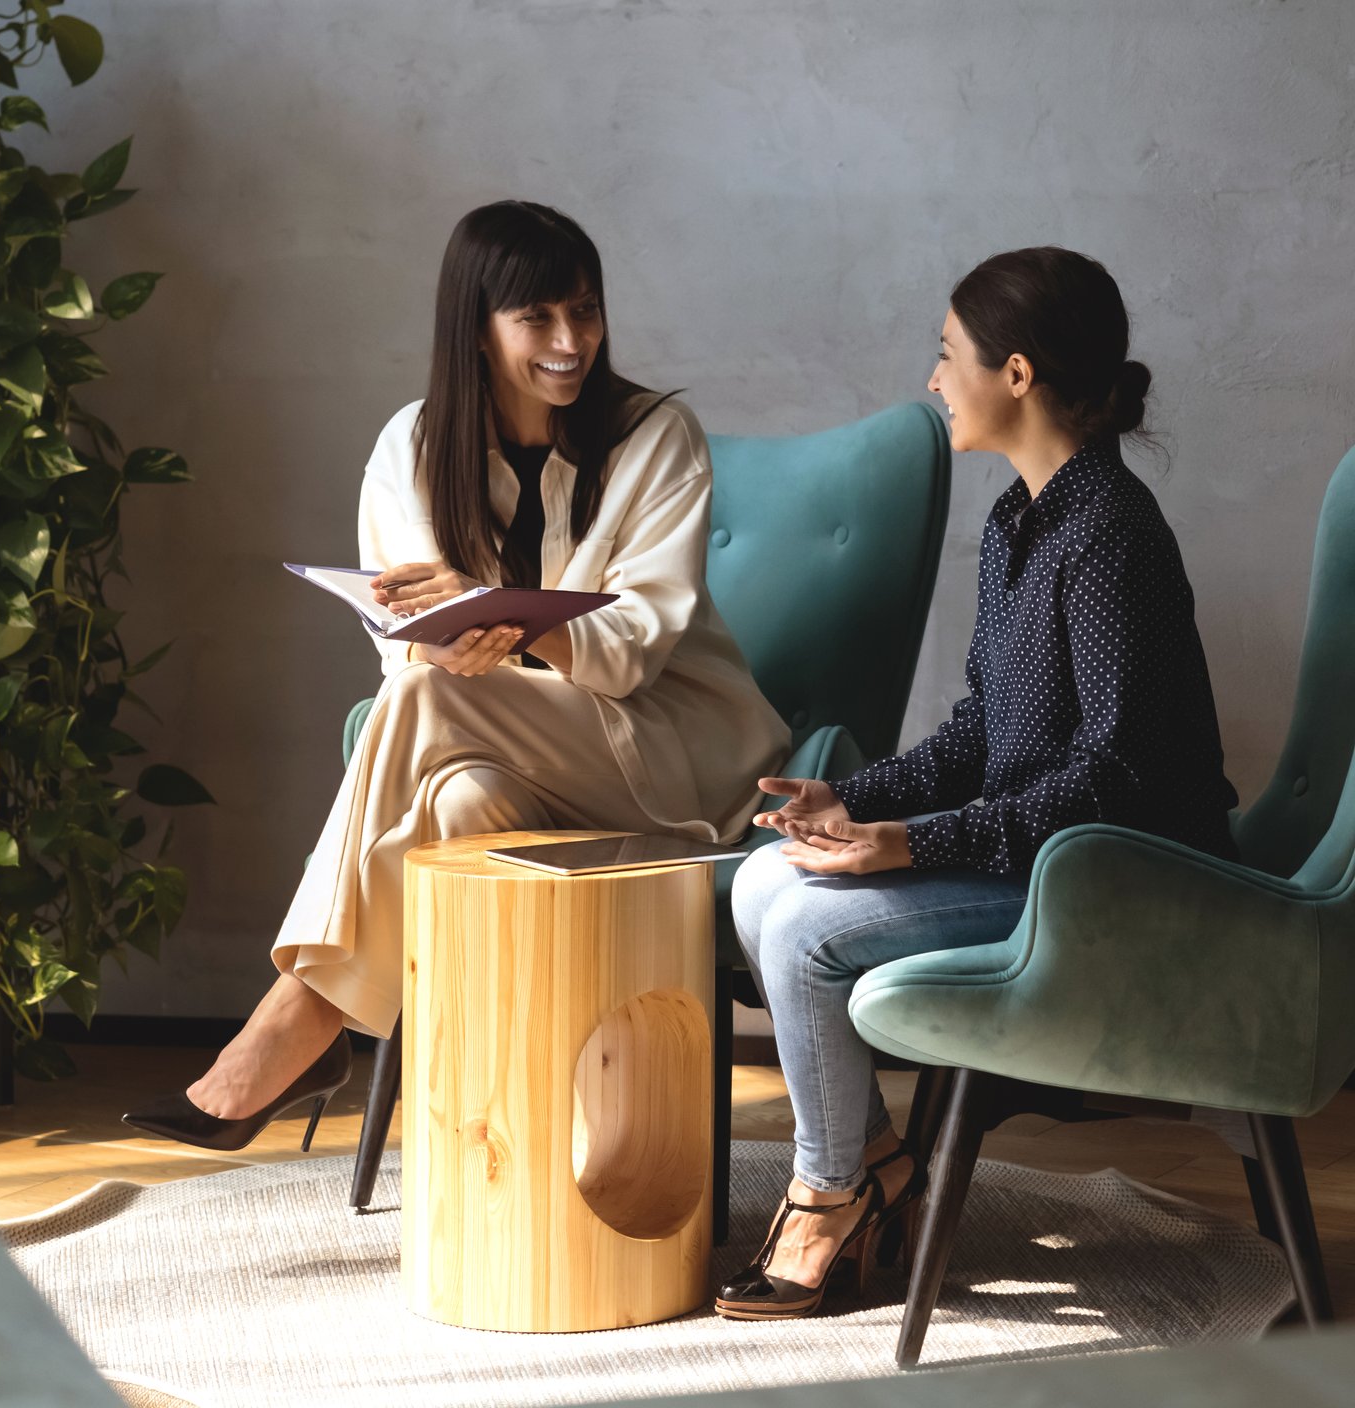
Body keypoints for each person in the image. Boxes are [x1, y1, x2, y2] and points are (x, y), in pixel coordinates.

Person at [124, 201, 789, 1149]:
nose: (572, 342)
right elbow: (402, 641)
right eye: (538, 319)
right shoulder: (411, 445)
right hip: (501, 753)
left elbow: (636, 648)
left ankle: (296, 1021)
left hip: (676, 760)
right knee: (462, 801)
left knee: (429, 699)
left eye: (586, 312)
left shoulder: (655, 435)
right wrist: (439, 638)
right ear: (475, 327)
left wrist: (498, 617)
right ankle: (504, 1137)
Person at [716, 246, 1238, 1321]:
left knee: (807, 929)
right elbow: (983, 731)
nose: (931, 379)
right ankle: (871, 1165)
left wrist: (913, 845)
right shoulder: (1019, 520)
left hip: (1114, 881)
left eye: (946, 355)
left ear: (1014, 374)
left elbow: (1115, 777)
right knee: (765, 879)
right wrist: (856, 803)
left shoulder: (1107, 536)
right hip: (1043, 854)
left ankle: (831, 1190)